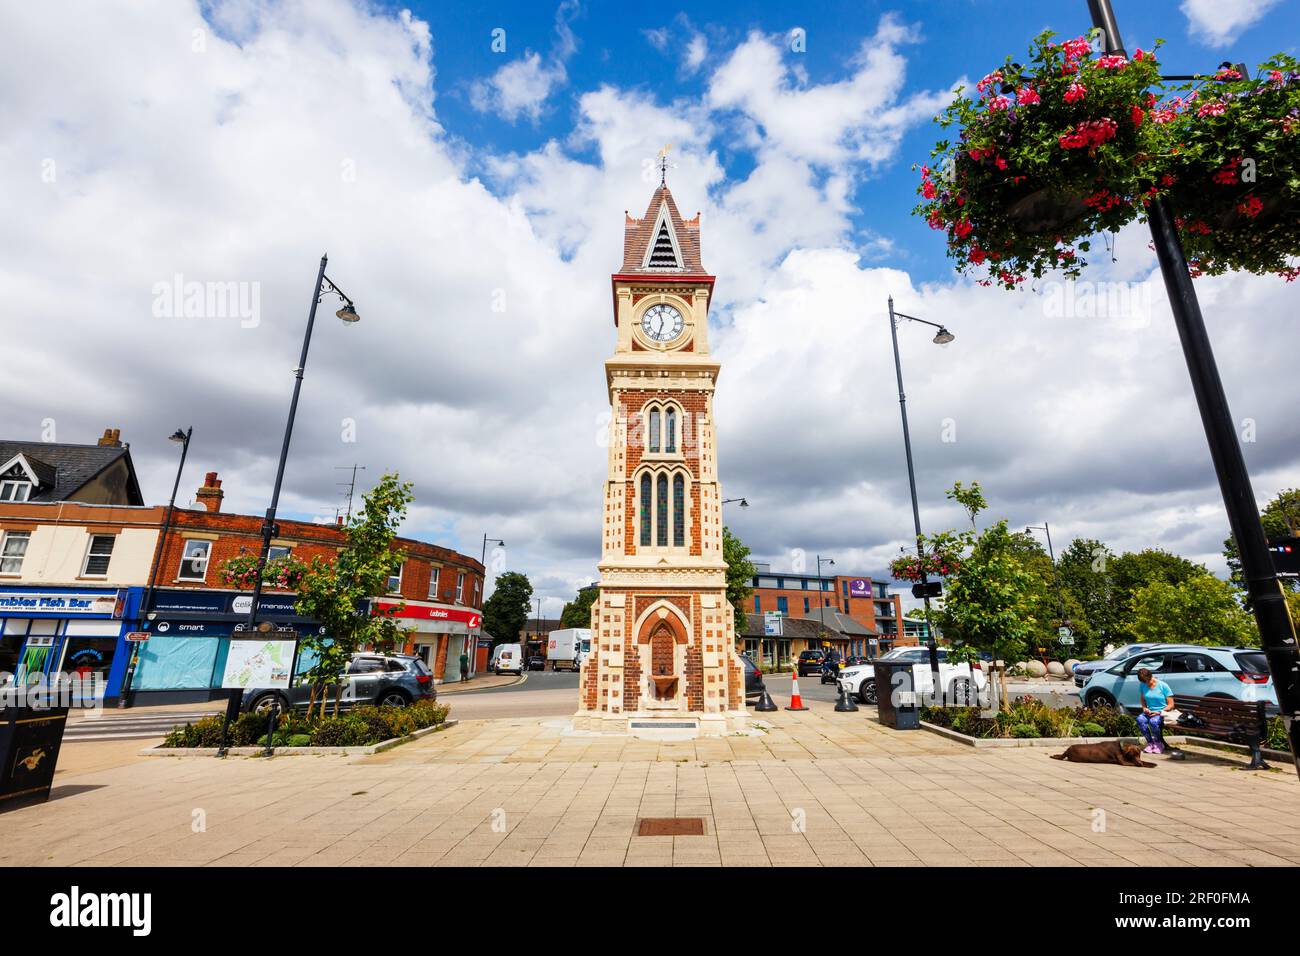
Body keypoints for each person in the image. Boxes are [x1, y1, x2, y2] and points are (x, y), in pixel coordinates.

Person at [1135, 666, 1174, 754]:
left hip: (1162, 712)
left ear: (1151, 676)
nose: (1146, 683)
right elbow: (1142, 699)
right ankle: (1150, 743)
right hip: (1150, 712)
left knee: (1153, 722)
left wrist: (1159, 712)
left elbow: (1171, 705)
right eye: (1144, 682)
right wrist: (1144, 708)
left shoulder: (1163, 686)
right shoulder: (1143, 685)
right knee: (1140, 719)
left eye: (1147, 681)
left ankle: (1158, 743)